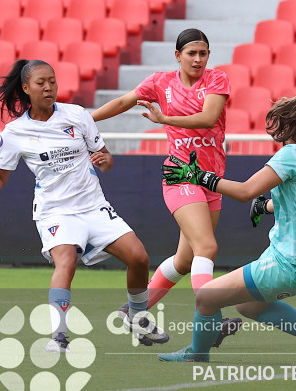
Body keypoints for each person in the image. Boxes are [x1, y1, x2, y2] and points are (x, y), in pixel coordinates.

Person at [0, 59, 168, 351]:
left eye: (52, 81)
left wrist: (104, 161)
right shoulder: (14, 132)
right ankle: (58, 338)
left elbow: (106, 159)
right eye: (41, 83)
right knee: (66, 261)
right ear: (26, 88)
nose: (48, 87)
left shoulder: (77, 115)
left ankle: (137, 318)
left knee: (139, 258)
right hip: (55, 211)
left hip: (93, 205)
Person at [156, 95, 296, 364]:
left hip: (288, 263)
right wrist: (266, 207)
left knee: (206, 297)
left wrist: (198, 176)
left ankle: (197, 353)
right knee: (248, 305)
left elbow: (245, 191)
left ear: (289, 125)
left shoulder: (291, 155)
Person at [91, 28, 241, 346]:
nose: (198, 59)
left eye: (203, 53)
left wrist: (165, 120)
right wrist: (85, 121)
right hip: (180, 175)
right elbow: (124, 101)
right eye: (191, 53)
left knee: (186, 260)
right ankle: (211, 320)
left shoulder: (217, 80)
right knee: (207, 248)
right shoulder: (160, 82)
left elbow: (208, 118)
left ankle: (133, 312)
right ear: (178, 56)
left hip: (211, 179)